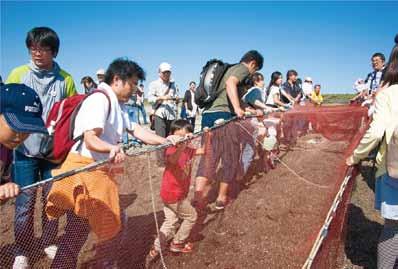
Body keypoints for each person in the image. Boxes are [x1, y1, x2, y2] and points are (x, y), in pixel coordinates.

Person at [45, 58, 181, 268]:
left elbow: (135, 129)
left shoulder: (116, 105)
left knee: (81, 232)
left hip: (96, 174)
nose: (135, 89)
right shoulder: (100, 100)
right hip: (87, 173)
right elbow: (91, 138)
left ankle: (98, 263)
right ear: (117, 79)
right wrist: (111, 148)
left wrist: (164, 140)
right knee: (102, 227)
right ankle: (102, 264)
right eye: (133, 83)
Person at [5, 26, 77, 268]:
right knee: (24, 203)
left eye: (43, 48)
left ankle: (47, 242)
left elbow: (72, 113)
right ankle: (22, 250)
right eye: (33, 47)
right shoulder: (17, 74)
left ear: (53, 51)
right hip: (23, 150)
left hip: (52, 152)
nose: (37, 53)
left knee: (52, 200)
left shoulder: (65, 79)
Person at [346, 35, 398, 269]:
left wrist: (355, 155)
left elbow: (376, 132)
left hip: (393, 166)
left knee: (393, 226)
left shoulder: (388, 94)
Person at [195, 50, 263, 210]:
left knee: (208, 156)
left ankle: (198, 197)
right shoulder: (242, 69)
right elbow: (230, 84)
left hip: (208, 115)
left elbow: (230, 94)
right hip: (224, 116)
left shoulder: (226, 69)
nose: (252, 73)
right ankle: (221, 197)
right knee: (230, 157)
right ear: (253, 63)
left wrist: (249, 110)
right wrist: (238, 109)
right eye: (255, 70)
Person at [147, 120, 207, 265]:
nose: (183, 139)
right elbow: (173, 161)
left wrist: (208, 135)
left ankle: (156, 248)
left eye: (186, 136)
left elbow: (204, 151)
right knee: (192, 216)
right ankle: (177, 243)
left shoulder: (189, 150)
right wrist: (181, 146)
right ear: (172, 136)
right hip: (173, 194)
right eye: (179, 136)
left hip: (174, 194)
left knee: (171, 221)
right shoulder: (172, 149)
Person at [0, 84, 47, 201]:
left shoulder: (7, 148)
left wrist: (5, 190)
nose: (20, 136)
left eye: (26, 130)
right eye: (15, 127)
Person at [148, 62, 179, 137]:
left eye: (168, 72)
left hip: (171, 114)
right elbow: (150, 99)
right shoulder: (153, 84)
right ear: (159, 72)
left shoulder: (173, 85)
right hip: (159, 114)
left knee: (172, 138)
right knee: (161, 139)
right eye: (164, 72)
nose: (166, 74)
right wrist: (162, 97)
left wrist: (176, 100)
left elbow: (176, 98)